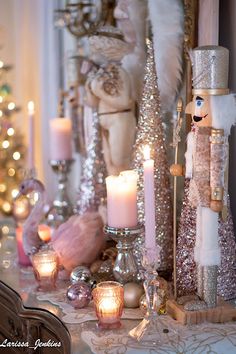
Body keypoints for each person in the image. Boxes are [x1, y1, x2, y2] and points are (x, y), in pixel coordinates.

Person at [84, 26, 136, 175]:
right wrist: (89, 87)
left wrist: (97, 89)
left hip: (119, 120)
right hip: (105, 121)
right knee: (110, 167)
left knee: (120, 165)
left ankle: (125, 198)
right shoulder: (99, 73)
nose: (92, 54)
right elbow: (93, 104)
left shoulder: (119, 73)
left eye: (95, 49)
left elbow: (125, 101)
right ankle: (115, 198)